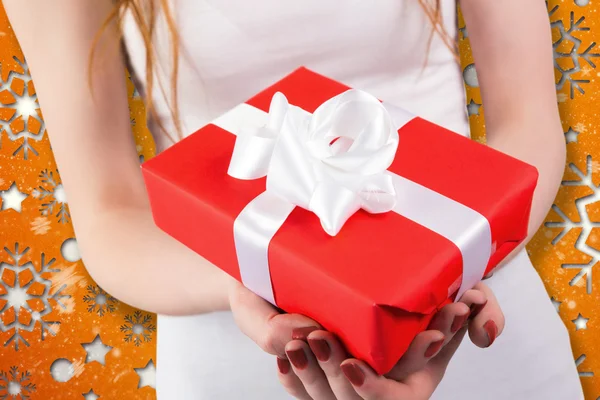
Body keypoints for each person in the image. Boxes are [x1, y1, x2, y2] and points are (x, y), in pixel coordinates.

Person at [4, 1, 585, 399]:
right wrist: (266, 284)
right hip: (238, 358)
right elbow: (109, 216)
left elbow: (529, 124)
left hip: (479, 329)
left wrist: (439, 276)